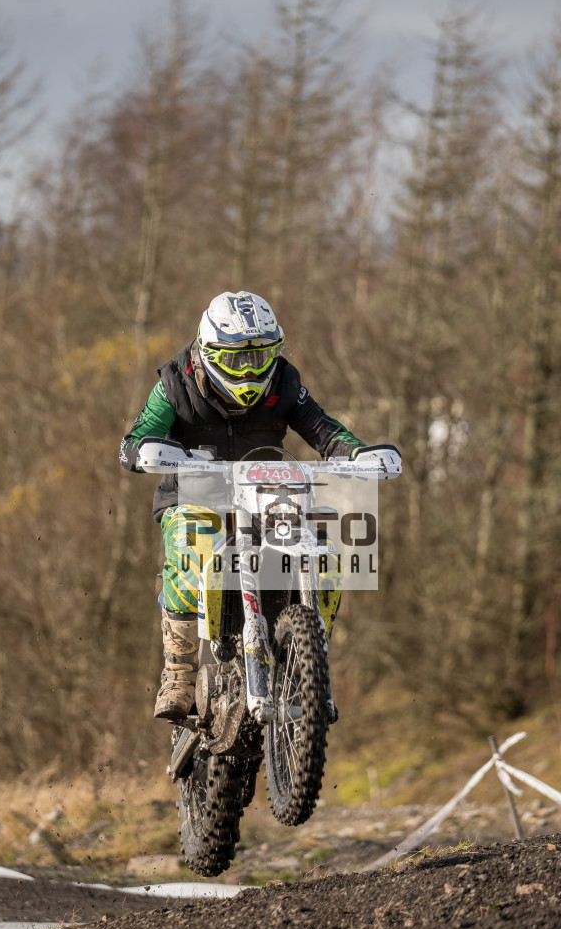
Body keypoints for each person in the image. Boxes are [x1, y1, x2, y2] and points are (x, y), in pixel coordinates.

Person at [120, 290, 373, 723]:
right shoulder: (175, 383)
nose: (251, 370)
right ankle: (179, 674)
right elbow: (138, 435)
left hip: (267, 494)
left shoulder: (284, 382)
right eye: (239, 360)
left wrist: (354, 452)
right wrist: (145, 448)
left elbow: (322, 427)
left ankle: (308, 659)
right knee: (191, 544)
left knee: (326, 554)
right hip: (196, 494)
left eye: (261, 357)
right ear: (209, 351)